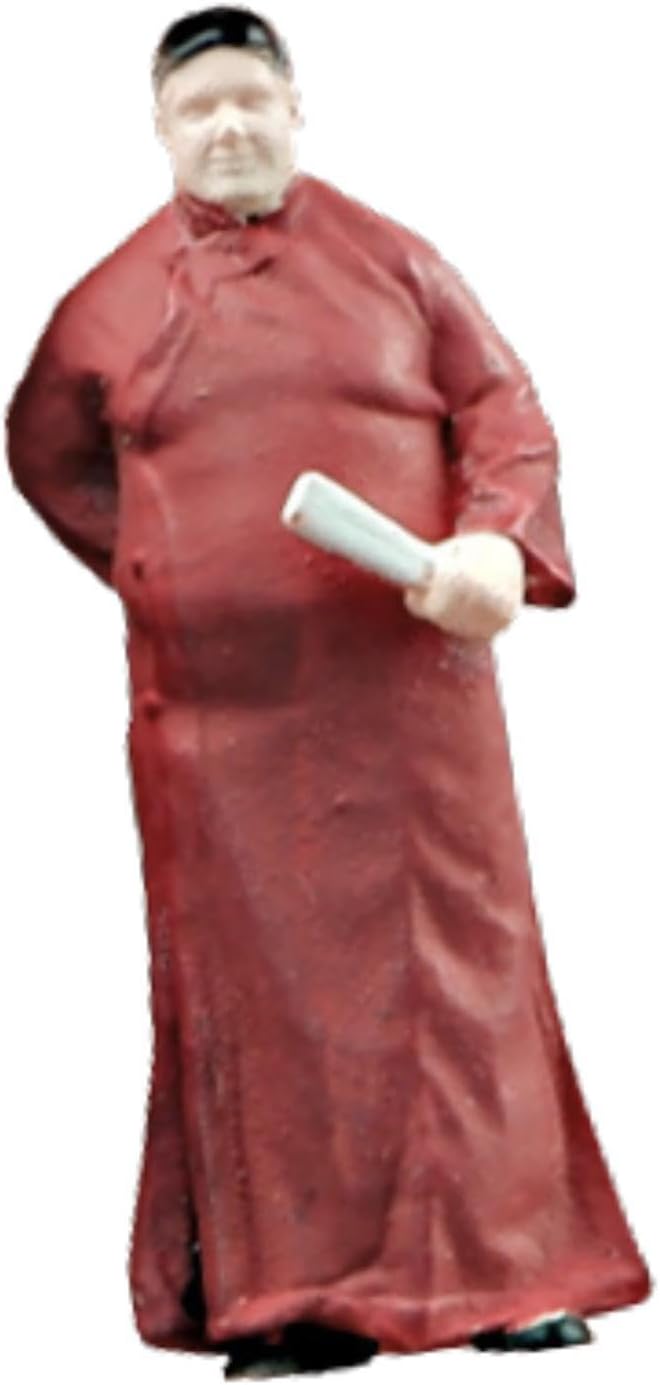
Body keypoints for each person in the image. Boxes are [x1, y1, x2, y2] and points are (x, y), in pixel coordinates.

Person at [4, 6, 651, 1379]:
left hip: (413, 698)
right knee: (259, 994)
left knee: (459, 971)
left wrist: (494, 541)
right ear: (159, 130)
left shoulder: (395, 261)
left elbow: (508, 414)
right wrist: (173, 578)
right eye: (200, 108)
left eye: (254, 98)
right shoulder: (105, 304)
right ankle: (289, 1294)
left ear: (298, 109)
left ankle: (505, 1270)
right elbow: (53, 460)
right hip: (220, 728)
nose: (230, 126)